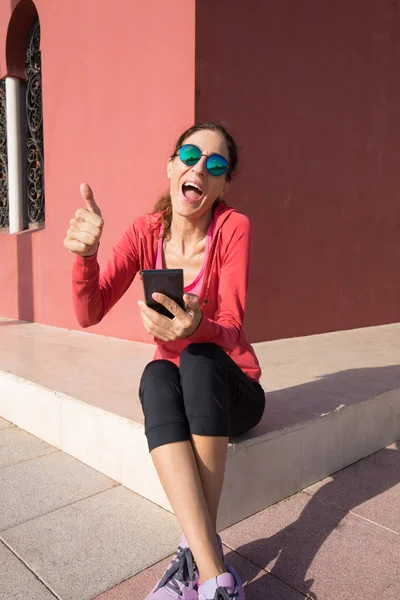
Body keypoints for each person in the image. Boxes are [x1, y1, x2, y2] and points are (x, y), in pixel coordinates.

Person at [64, 122, 265, 600]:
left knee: (195, 357)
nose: (200, 167)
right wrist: (86, 258)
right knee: (157, 372)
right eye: (191, 155)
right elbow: (89, 312)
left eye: (215, 165)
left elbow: (233, 327)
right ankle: (216, 576)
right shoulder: (146, 231)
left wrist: (196, 327)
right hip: (181, 388)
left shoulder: (234, 228)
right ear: (171, 166)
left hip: (234, 388)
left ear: (221, 185)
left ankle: (193, 564)